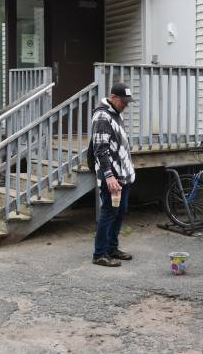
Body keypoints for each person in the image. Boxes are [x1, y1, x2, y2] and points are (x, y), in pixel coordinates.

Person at [91, 82, 136, 267]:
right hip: (112, 176)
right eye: (123, 102)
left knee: (120, 211)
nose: (125, 105)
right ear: (113, 98)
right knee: (109, 212)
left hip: (123, 174)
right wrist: (109, 176)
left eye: (127, 102)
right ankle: (100, 254)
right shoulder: (102, 116)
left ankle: (112, 248)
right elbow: (100, 149)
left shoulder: (115, 114)